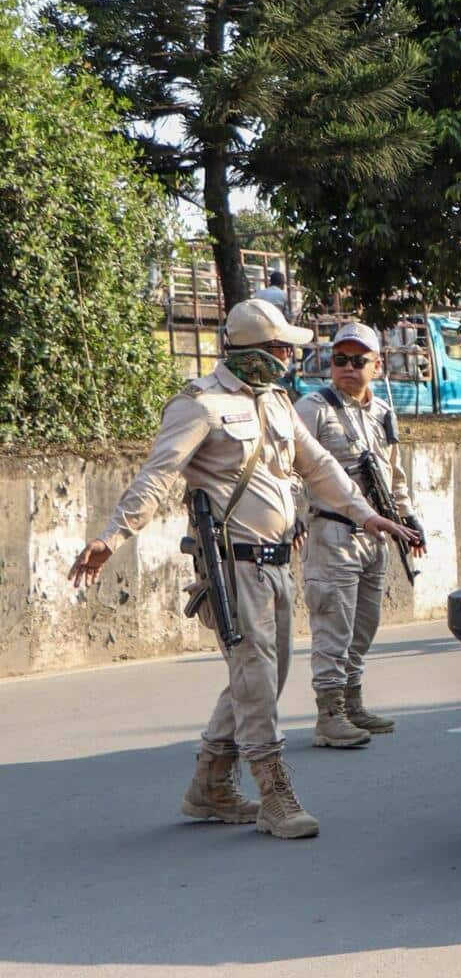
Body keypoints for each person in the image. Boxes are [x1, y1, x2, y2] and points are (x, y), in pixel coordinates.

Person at [66, 300, 418, 840]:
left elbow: (318, 467)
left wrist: (366, 514)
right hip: (234, 564)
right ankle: (275, 793)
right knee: (256, 676)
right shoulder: (198, 406)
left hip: (279, 560)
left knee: (264, 678)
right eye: (282, 348)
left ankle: (209, 784)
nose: (289, 358)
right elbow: (158, 478)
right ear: (256, 351)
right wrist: (113, 534)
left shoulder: (277, 402)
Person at [295, 323, 425, 749]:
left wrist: (408, 518)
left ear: (376, 364)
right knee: (333, 624)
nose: (348, 368)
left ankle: (352, 702)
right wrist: (293, 520)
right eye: (340, 360)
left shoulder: (383, 411)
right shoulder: (312, 408)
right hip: (332, 532)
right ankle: (328, 716)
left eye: (358, 360)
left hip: (377, 536)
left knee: (364, 626)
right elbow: (289, 471)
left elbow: (393, 474)